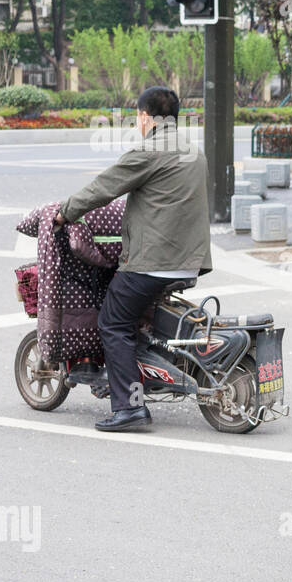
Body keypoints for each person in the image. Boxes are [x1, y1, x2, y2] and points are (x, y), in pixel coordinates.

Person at [54, 86, 211, 433]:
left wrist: (64, 213)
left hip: (154, 262)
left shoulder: (150, 150)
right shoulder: (193, 150)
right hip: (191, 260)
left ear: (144, 117)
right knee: (135, 314)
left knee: (113, 321)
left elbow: (103, 187)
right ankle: (145, 373)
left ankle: (129, 407)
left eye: (137, 118)